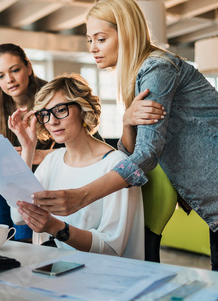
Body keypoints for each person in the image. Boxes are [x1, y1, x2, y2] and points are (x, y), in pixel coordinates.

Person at [31, 0, 218, 298]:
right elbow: (131, 155)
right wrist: (126, 123)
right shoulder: (137, 78)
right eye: (89, 40)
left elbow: (147, 155)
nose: (93, 48)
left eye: (101, 38)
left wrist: (81, 197)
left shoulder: (157, 69)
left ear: (125, 33)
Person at [8, 73, 144, 259]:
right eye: (45, 114)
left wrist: (55, 227)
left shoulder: (117, 167)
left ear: (82, 109)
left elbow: (112, 249)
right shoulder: (52, 161)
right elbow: (18, 217)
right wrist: (28, 149)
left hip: (98, 277)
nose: (52, 121)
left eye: (61, 110)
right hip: (51, 270)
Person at [0, 43, 63, 241]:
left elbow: (78, 147)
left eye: (15, 70)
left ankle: (25, 246)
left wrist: (39, 155)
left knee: (24, 237)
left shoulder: (52, 95)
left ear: (29, 67)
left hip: (38, 171)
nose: (9, 80)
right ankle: (0, 243)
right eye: (0, 76)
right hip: (3, 171)